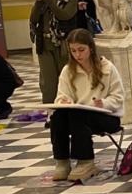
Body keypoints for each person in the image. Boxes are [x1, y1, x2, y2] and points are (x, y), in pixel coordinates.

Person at [49, 28, 124, 182]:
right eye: (73, 51)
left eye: (81, 50)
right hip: (78, 115)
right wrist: (64, 101)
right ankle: (62, 161)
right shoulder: (67, 71)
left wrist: (103, 103)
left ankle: (85, 161)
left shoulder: (107, 68)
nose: (78, 55)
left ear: (91, 48)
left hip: (107, 117)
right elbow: (61, 95)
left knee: (78, 116)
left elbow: (118, 98)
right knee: (57, 117)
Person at [30, 0, 80, 102]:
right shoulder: (43, 0)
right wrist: (38, 2)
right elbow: (34, 19)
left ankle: (68, 106)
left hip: (62, 44)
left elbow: (63, 15)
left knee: (65, 78)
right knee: (48, 82)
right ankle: (50, 110)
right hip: (45, 44)